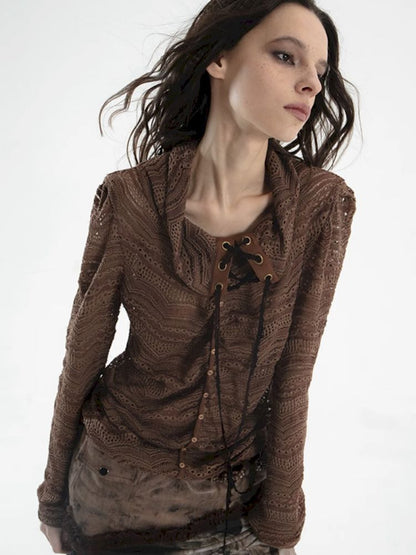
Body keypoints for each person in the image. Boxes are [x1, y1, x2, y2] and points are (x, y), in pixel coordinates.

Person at [37, 0, 358, 553]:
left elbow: (294, 372)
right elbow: (82, 356)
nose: (310, 83)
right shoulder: (131, 198)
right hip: (115, 494)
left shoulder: (319, 207)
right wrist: (52, 499)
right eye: (286, 56)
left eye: (320, 72)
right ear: (219, 59)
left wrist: (282, 519)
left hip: (241, 498)